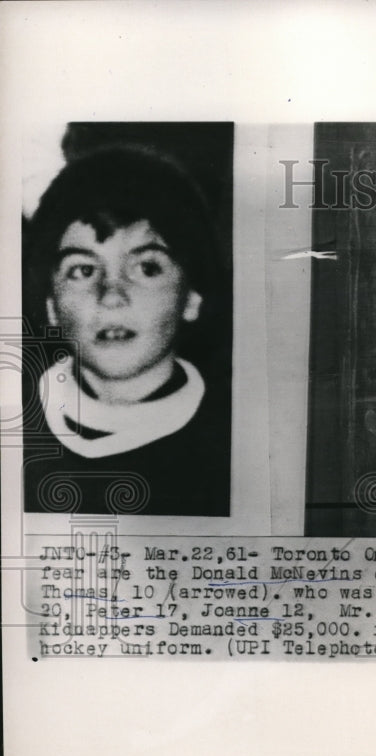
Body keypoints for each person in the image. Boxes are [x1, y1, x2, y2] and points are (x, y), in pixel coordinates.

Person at [22, 146, 230, 517]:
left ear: (192, 298)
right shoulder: (17, 427)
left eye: (147, 268)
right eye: (83, 270)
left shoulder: (233, 442)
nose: (112, 296)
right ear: (51, 305)